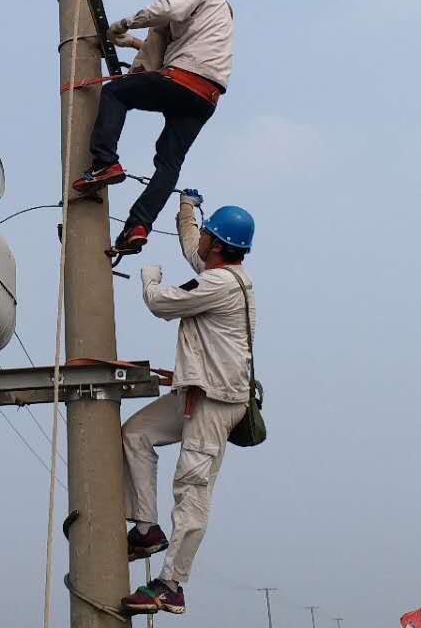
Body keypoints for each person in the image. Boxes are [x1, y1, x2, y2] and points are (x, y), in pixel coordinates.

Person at [120, 195, 256, 618]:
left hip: (215, 404)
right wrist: (186, 211)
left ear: (217, 245)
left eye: (207, 234)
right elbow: (191, 247)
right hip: (197, 394)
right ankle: (146, 529)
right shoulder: (221, 273)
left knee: (191, 491)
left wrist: (149, 278)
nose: (201, 239)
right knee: (136, 433)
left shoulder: (219, 285)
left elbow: (161, 303)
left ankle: (170, 586)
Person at [72, 0, 233, 255]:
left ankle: (104, 163)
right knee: (169, 163)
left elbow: (166, 10)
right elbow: (175, 44)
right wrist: (133, 43)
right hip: (206, 96)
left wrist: (125, 23)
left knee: (116, 92)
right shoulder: (219, 6)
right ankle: (137, 226)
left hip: (183, 78)